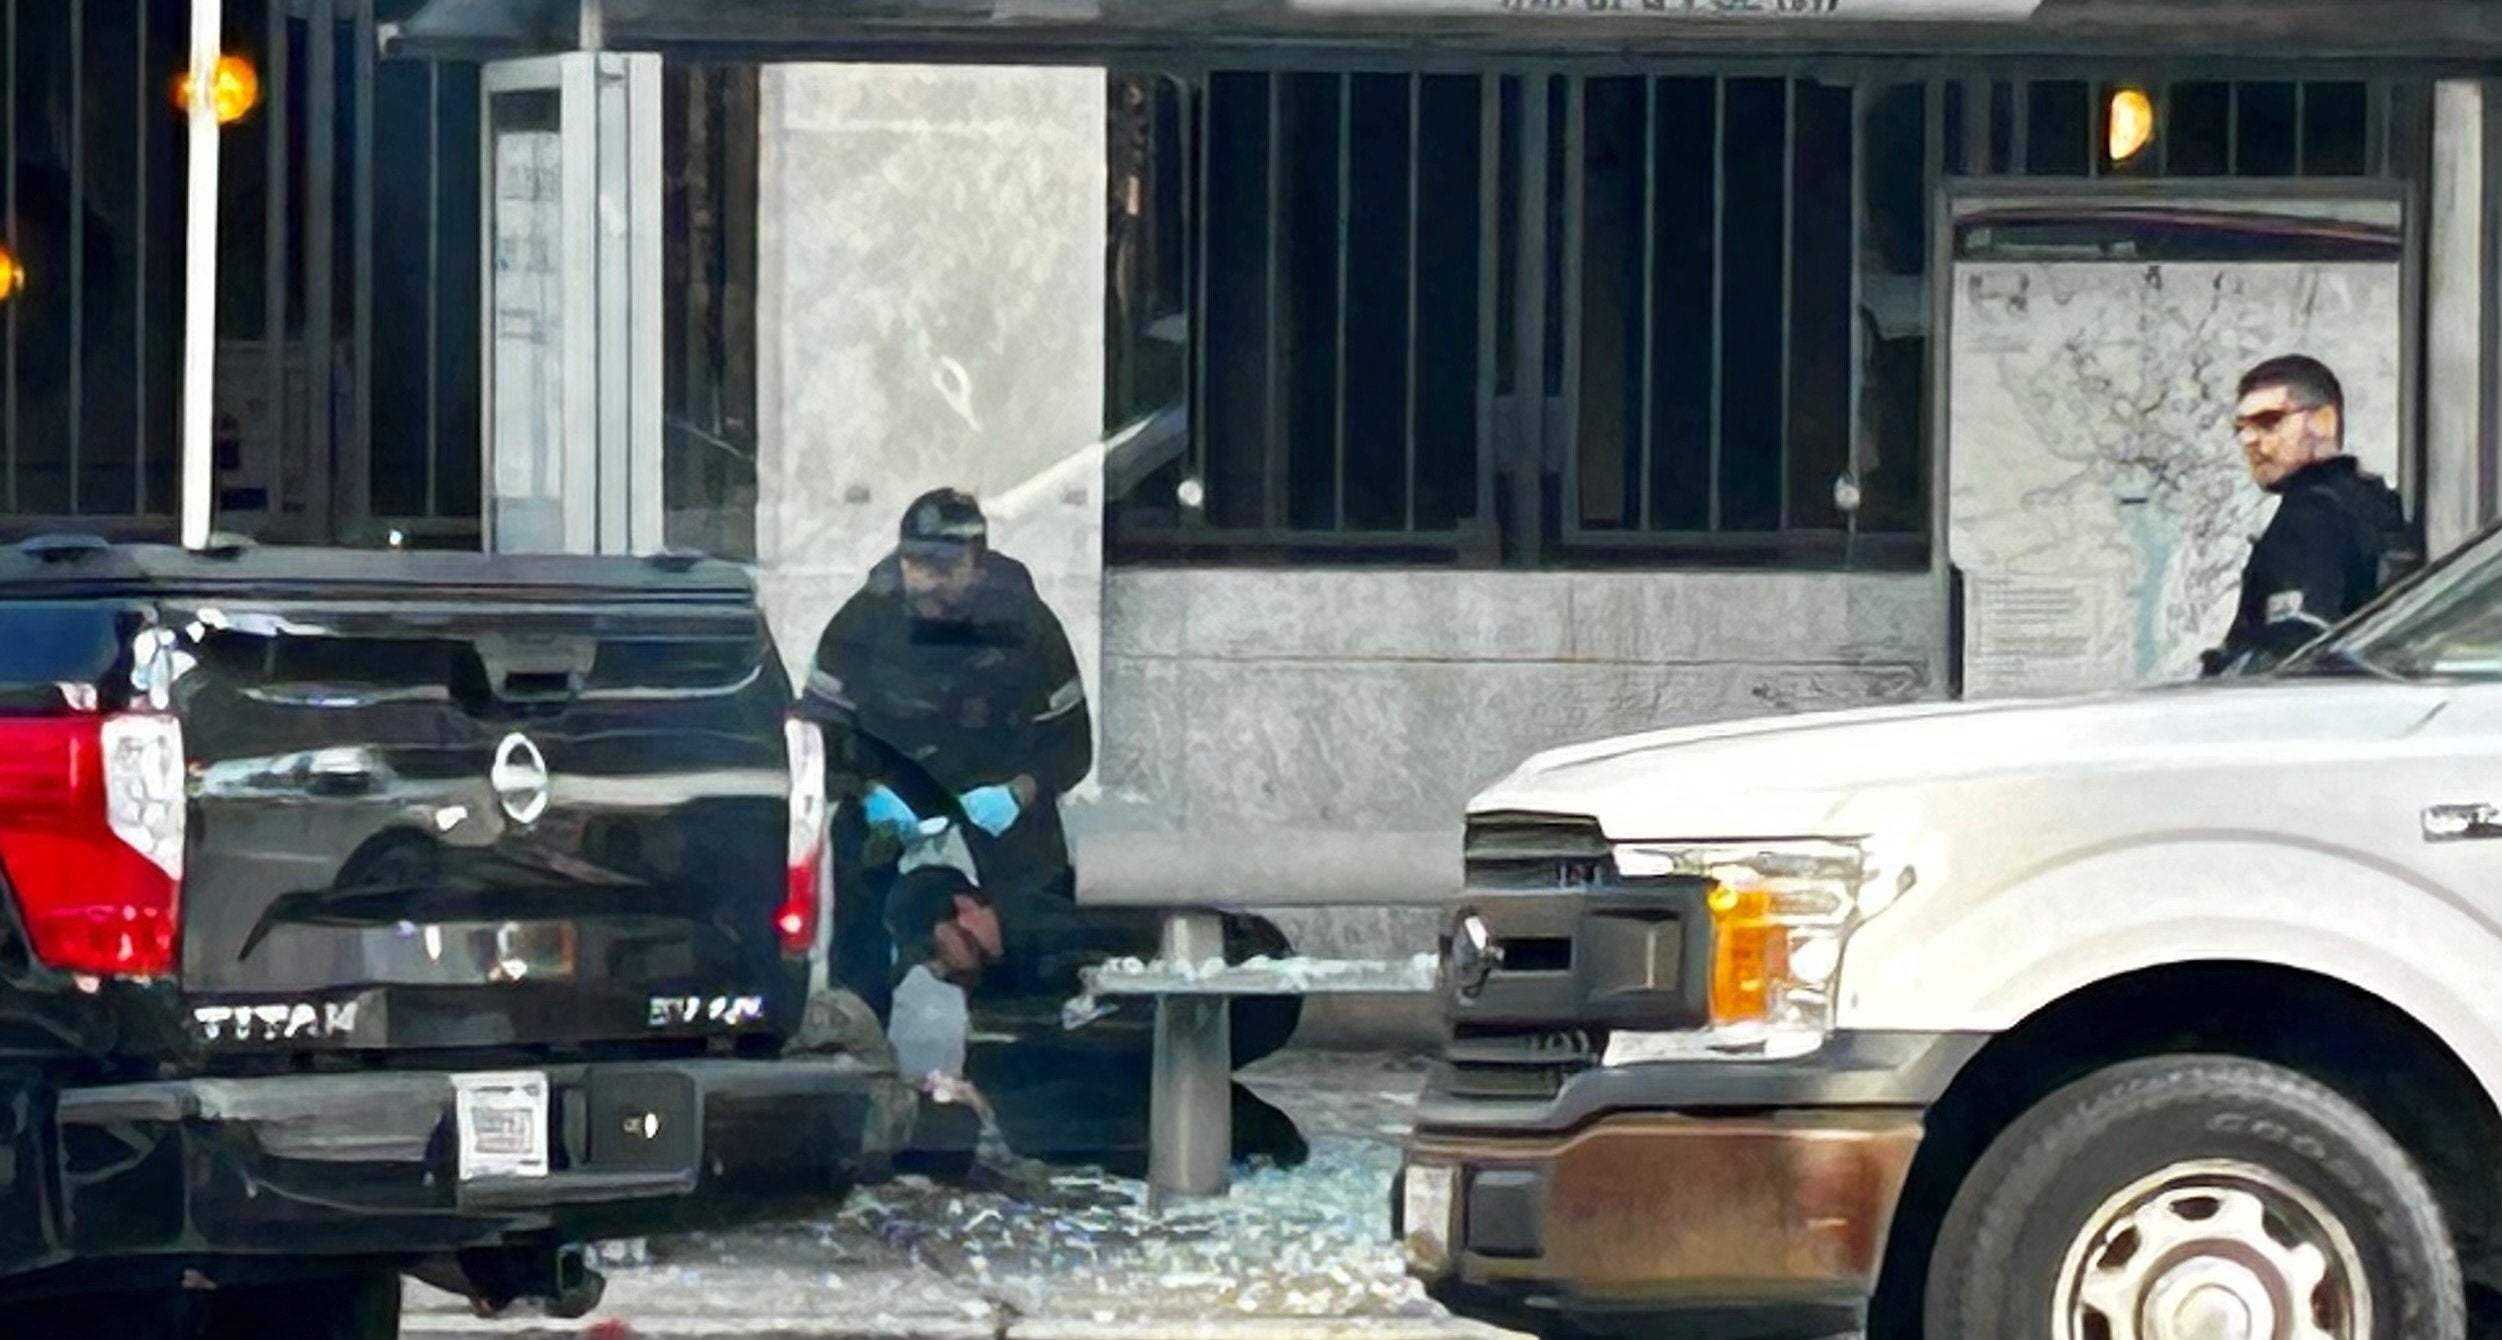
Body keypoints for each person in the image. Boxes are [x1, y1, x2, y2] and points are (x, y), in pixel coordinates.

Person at [798, 489, 1093, 1023]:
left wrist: (1017, 793)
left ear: (977, 564)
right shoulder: (862, 622)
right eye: (916, 564)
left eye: (946, 566)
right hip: (893, 780)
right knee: (862, 880)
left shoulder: (1028, 626)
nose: (928, 580)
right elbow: (816, 735)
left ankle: (1028, 1026)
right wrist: (869, 791)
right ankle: (856, 1026)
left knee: (1034, 909)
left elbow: (1071, 747)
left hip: (998, 781)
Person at [883, 865, 1310, 1179]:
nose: (938, 970)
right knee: (1035, 1091)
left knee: (1095, 1077)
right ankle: (1225, 1138)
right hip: (1171, 999)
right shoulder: (996, 970)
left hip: (1246, 981)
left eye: (935, 949)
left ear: (965, 909)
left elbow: (1107, 1016)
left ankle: (1254, 1140)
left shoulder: (1044, 924)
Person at [2200, 355, 2418, 678]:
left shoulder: (2314, 519)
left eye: (2268, 421)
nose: (2249, 441)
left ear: (2323, 422)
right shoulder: (2365, 504)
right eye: (2241, 429)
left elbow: (2294, 655)